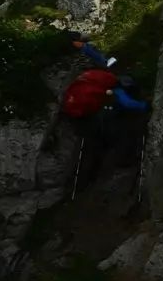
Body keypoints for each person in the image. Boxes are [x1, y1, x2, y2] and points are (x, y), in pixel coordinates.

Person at [61, 61, 149, 190]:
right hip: (97, 122)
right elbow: (128, 103)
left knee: (88, 150)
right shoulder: (116, 88)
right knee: (117, 138)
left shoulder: (89, 81)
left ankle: (79, 184)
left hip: (78, 117)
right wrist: (146, 105)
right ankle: (121, 164)